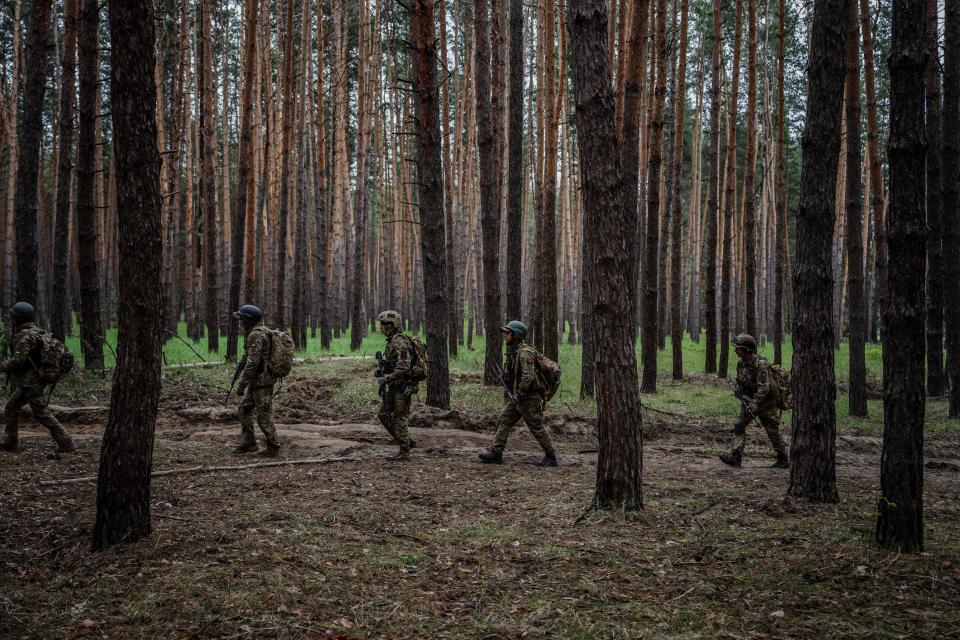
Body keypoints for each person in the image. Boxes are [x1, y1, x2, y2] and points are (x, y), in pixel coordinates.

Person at [478, 320, 557, 467]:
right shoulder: (515, 351)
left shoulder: (525, 353)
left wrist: (519, 393)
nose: (505, 336)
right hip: (519, 397)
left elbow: (529, 376)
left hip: (529, 398)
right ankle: (496, 453)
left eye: (508, 333)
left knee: (536, 426)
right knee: (504, 419)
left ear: (516, 335)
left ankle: (551, 456)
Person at [0, 302, 75, 453]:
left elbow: (17, 361)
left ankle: (66, 443)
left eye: (14, 317)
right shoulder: (38, 332)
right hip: (32, 380)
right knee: (12, 407)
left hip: (32, 382)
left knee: (41, 413)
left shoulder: (25, 336)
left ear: (18, 319)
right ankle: (10, 442)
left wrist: (2, 365)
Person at [719, 333, 789, 469]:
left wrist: (754, 403)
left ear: (747, 350)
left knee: (772, 431)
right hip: (750, 401)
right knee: (739, 425)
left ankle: (783, 459)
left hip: (766, 402)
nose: (735, 351)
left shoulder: (760, 364)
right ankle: (736, 457)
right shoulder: (741, 364)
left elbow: (764, 388)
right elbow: (743, 382)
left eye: (738, 348)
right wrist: (740, 391)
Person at [231, 304, 280, 456]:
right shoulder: (258, 332)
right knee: (244, 408)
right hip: (258, 381)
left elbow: (252, 362)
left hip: (262, 382)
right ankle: (249, 442)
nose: (240, 324)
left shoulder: (256, 335)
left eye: (241, 320)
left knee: (263, 414)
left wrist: (241, 384)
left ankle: (273, 446)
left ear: (248, 321)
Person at [375, 310, 417, 460]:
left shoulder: (400, 342)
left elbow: (404, 365)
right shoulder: (392, 342)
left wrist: (387, 378)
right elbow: (395, 364)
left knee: (400, 418)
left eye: (383, 325)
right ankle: (406, 440)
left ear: (392, 326)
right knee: (383, 415)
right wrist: (383, 368)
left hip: (402, 387)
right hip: (394, 385)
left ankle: (405, 451)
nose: (381, 328)